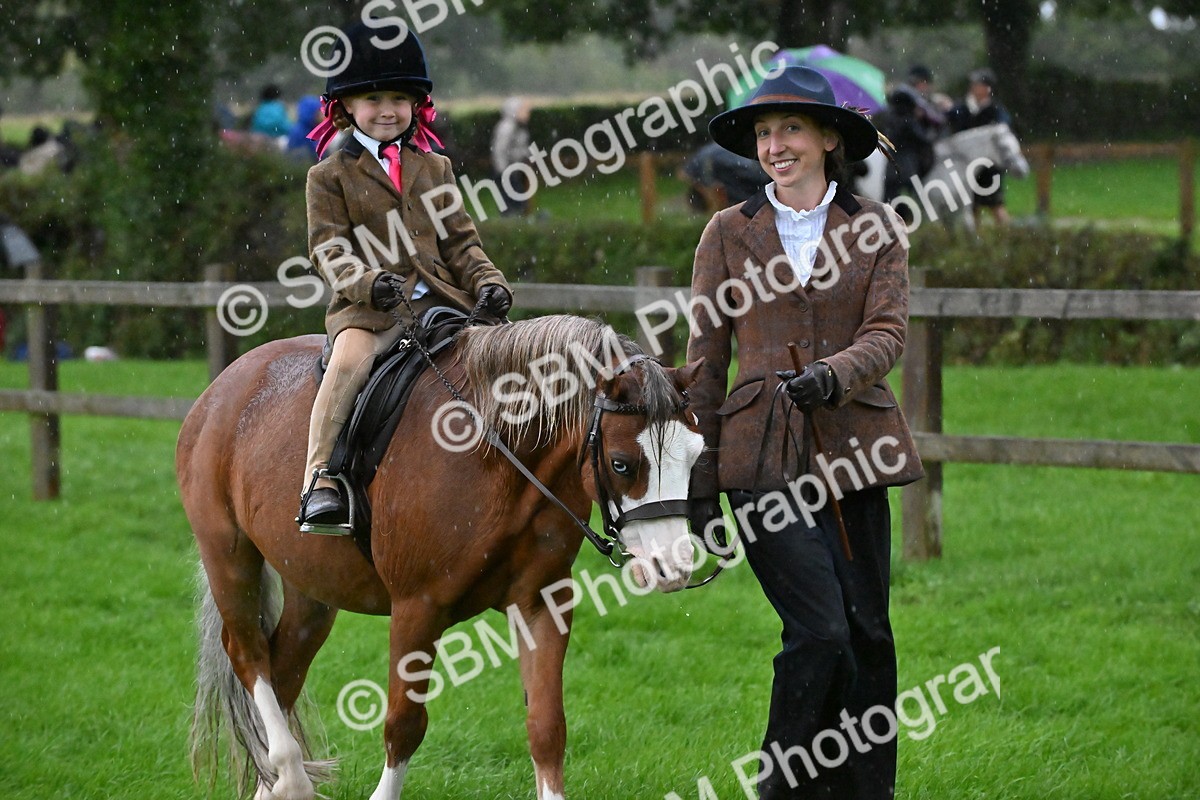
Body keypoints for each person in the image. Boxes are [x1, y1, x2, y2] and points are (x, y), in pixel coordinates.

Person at [687, 66, 924, 799]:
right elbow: (705, 363)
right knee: (820, 633)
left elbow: (887, 333)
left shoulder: (876, 227)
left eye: (790, 128)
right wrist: (699, 485)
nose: (774, 145)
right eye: (763, 133)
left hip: (855, 454)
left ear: (828, 138)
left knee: (867, 636)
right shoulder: (726, 233)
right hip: (759, 461)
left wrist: (833, 374)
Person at [298, 21, 513, 528]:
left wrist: (489, 282)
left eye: (399, 98)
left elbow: (460, 242)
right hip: (371, 311)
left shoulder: (435, 168)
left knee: (514, 357)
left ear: (416, 104)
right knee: (348, 363)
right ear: (346, 107)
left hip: (444, 303)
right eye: (373, 99)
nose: (388, 110)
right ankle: (319, 478)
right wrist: (368, 283)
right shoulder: (328, 176)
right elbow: (328, 249)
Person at [948, 68, 1014, 226]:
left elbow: (1003, 128)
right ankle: (976, 238)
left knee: (996, 205)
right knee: (972, 206)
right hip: (967, 166)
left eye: (978, 84)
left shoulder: (995, 110)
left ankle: (1009, 235)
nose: (974, 87)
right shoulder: (962, 108)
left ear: (987, 88)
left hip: (989, 166)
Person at [490, 96, 533, 216]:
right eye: (523, 110)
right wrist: (503, 170)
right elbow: (499, 150)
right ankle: (512, 217)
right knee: (511, 196)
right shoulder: (507, 127)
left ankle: (516, 216)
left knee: (517, 195)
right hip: (506, 168)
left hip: (513, 167)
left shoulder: (518, 126)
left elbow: (520, 147)